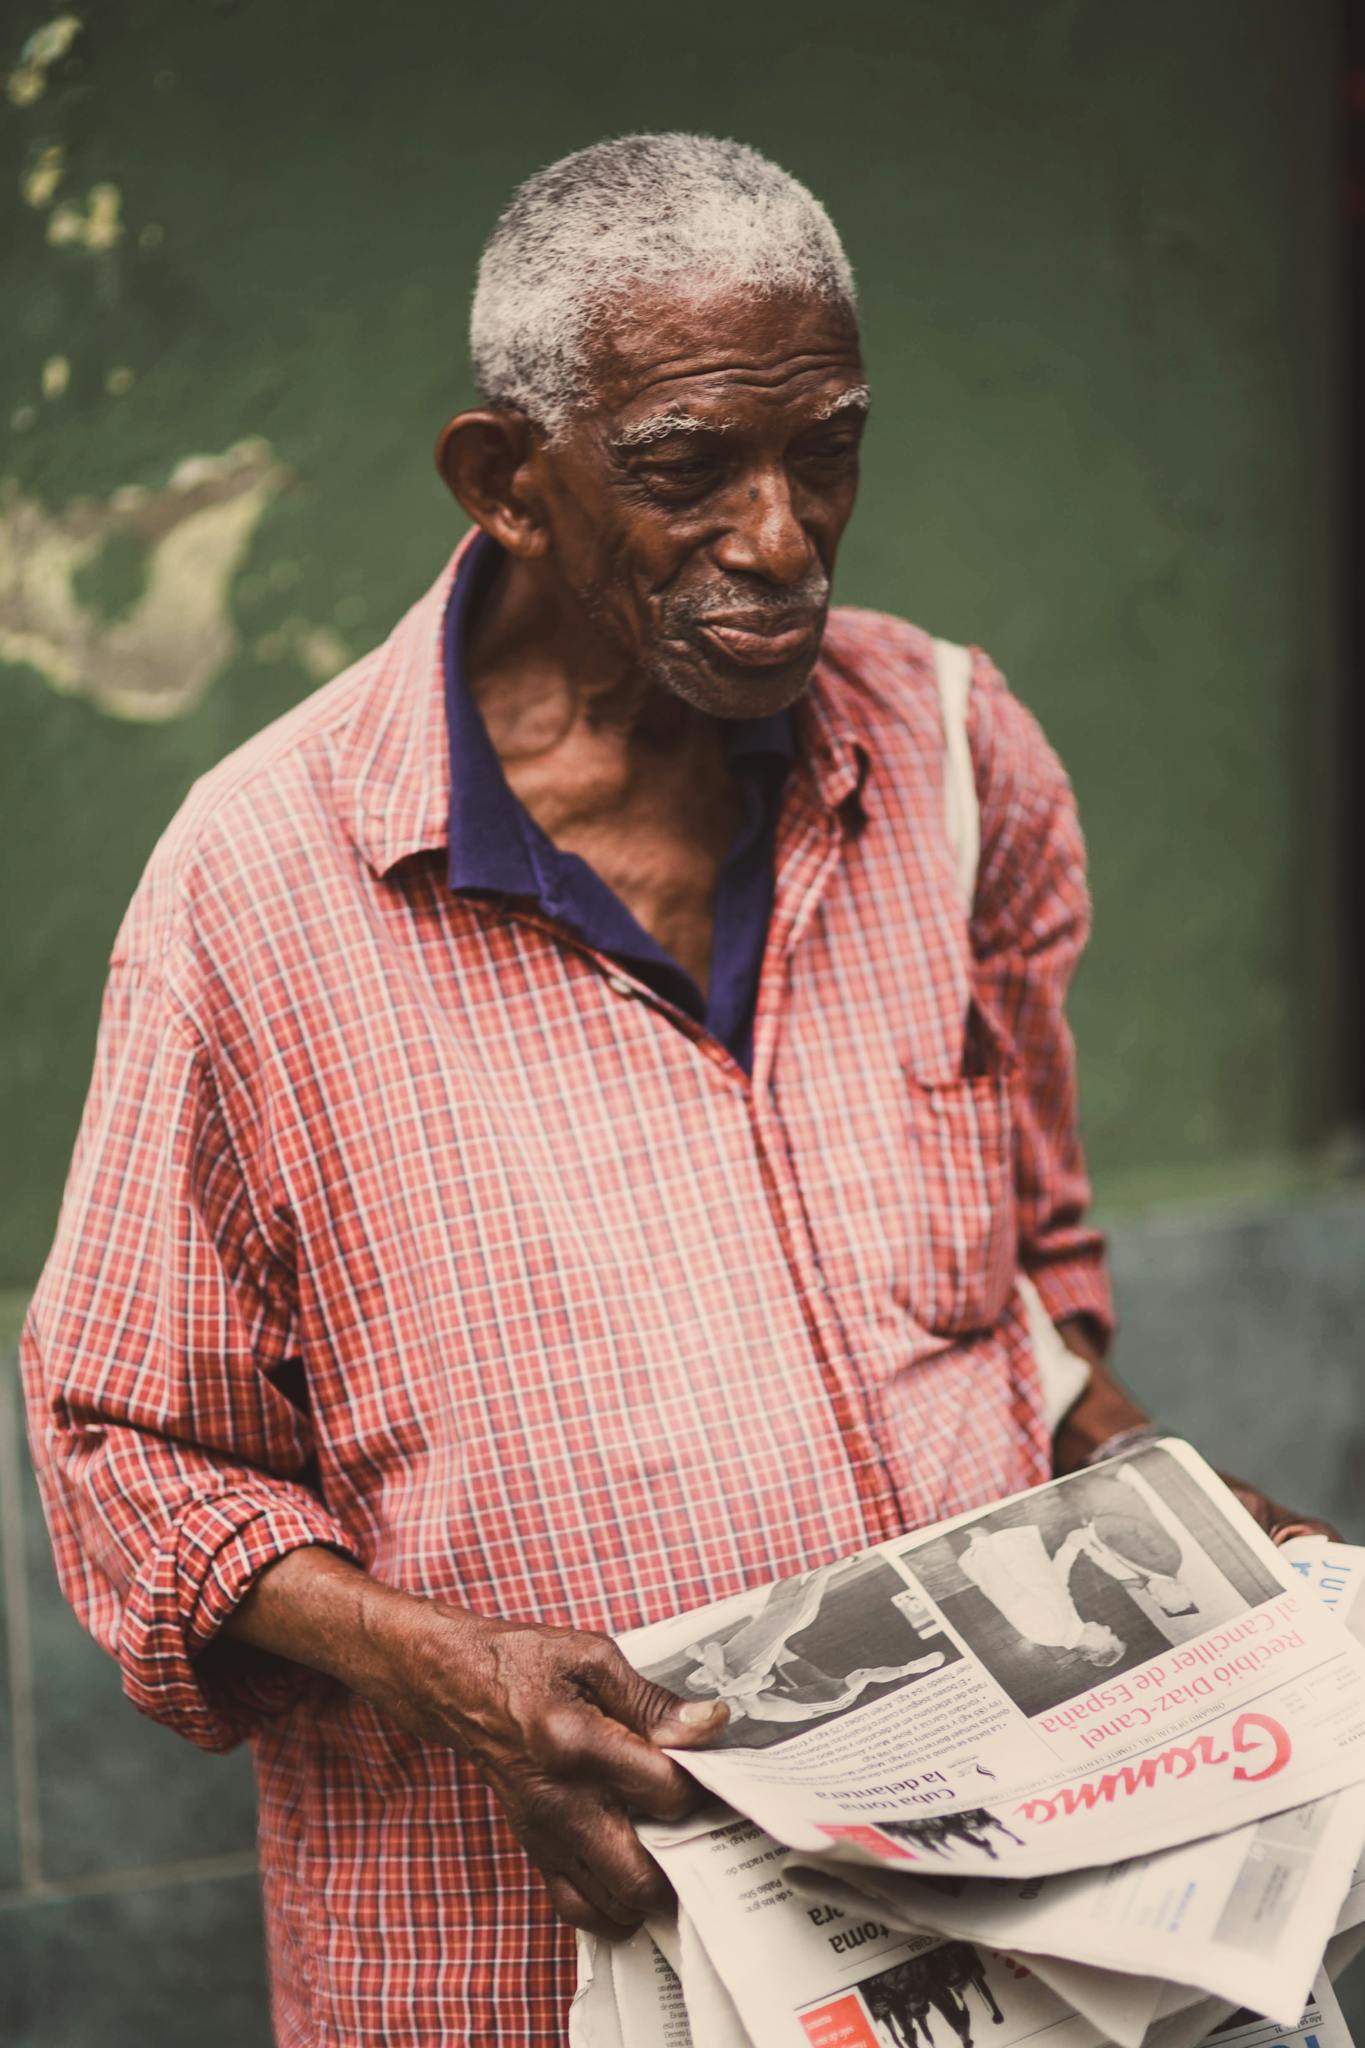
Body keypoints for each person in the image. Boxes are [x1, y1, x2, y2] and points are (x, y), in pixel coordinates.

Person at [20, 134, 1333, 2046]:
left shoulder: (959, 762)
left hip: (1000, 1950)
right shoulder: (261, 882)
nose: (785, 534)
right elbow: (124, 1463)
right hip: (514, 1970)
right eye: (687, 466)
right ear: (508, 484)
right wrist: (456, 1675)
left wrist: (1170, 1526)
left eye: (828, 449)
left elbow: (1020, 1299)